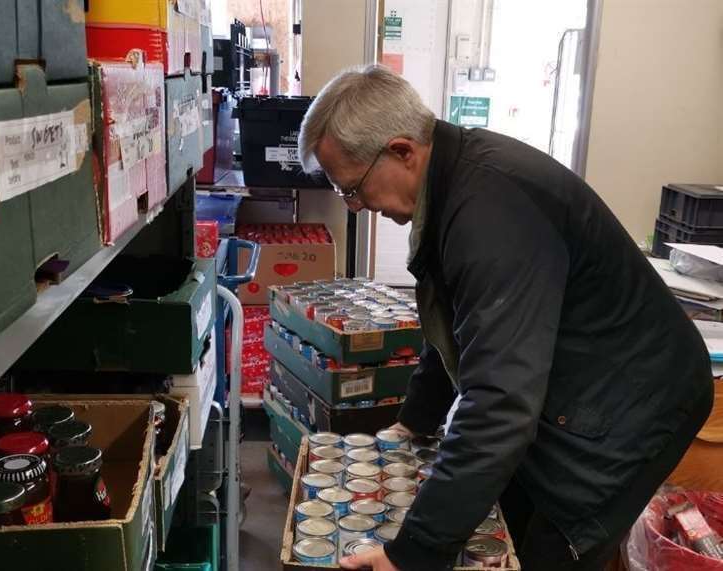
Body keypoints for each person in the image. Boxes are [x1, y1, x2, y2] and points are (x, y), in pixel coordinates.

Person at [297, 64, 714, 571]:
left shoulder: (489, 213)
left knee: (554, 544)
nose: (357, 206)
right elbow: (454, 324)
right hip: (573, 381)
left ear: (402, 151)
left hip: (635, 401)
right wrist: (416, 423)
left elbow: (500, 401)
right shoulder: (449, 180)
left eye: (353, 188)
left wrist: (415, 553)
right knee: (503, 515)